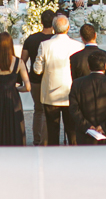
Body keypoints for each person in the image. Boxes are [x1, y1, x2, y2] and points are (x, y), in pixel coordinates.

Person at [33, 14, 82, 145]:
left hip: (51, 93)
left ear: (53, 29)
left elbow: (37, 70)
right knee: (72, 131)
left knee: (52, 130)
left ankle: (53, 157)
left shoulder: (45, 45)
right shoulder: (78, 45)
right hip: (71, 92)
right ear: (68, 28)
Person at [68, 51, 106, 144]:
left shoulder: (77, 84)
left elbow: (74, 108)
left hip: (85, 135)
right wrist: (104, 126)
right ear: (105, 66)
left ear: (88, 66)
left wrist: (87, 126)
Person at [22, 9, 57, 145]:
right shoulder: (54, 41)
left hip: (35, 79)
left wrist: (26, 77)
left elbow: (22, 60)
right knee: (50, 110)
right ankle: (46, 140)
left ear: (41, 22)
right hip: (51, 79)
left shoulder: (31, 39)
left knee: (38, 110)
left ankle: (37, 139)